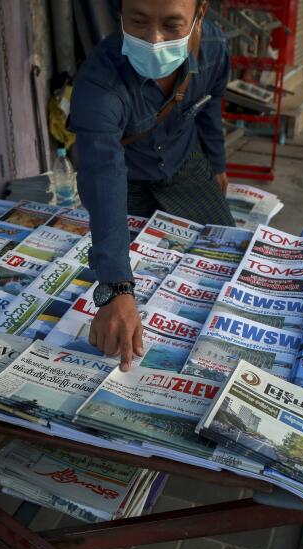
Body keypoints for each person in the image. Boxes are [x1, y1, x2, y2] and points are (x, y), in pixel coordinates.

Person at [70, 0, 235, 371]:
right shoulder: (99, 81)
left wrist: (217, 163)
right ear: (121, 12)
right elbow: (102, 173)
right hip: (126, 179)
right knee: (123, 267)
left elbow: (209, 105)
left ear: (199, 14)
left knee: (223, 258)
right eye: (138, 21)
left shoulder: (213, 50)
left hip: (184, 164)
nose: (154, 40)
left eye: (172, 25)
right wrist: (115, 289)